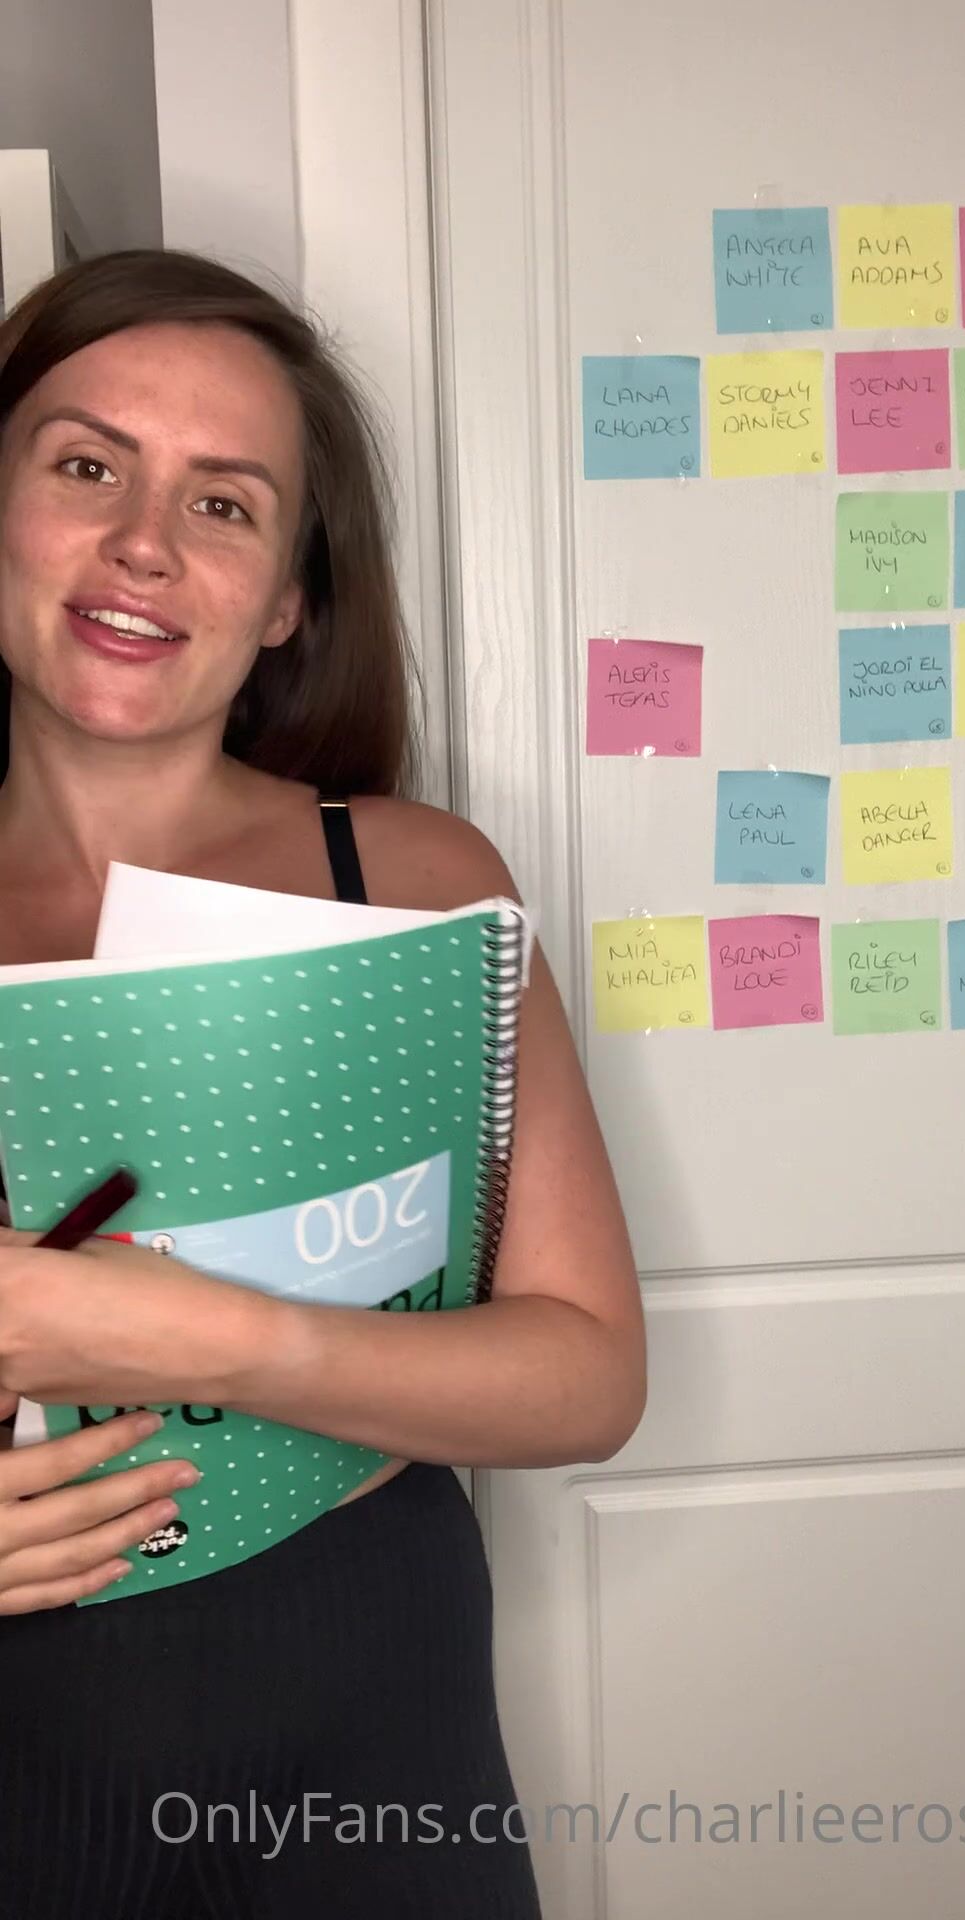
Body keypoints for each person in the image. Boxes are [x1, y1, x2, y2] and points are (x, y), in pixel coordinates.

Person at [0, 249, 645, 1918]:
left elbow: (586, 1381)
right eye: (87, 467)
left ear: (288, 595)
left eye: (223, 504)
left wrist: (192, 1338)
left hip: (366, 1709)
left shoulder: (414, 886)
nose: (145, 543)